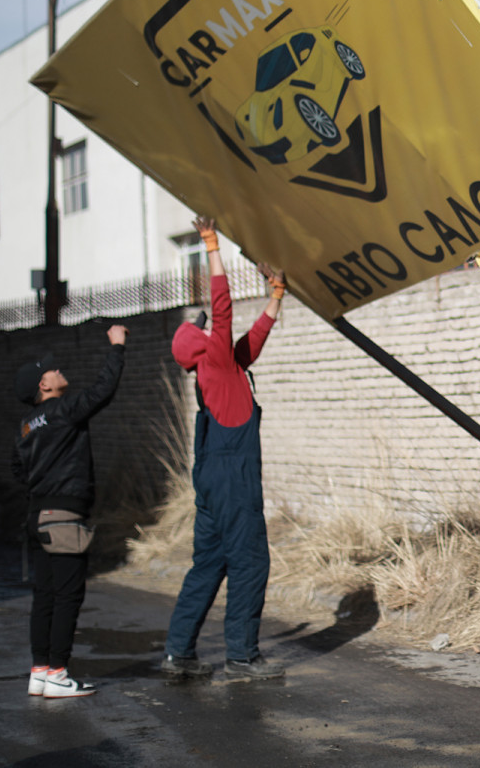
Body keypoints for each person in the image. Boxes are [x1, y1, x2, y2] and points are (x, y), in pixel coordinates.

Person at [162, 216, 287, 681]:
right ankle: (241, 656)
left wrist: (276, 296)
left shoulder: (219, 370)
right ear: (202, 342)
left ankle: (178, 653)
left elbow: (252, 340)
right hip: (233, 482)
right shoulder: (216, 359)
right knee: (250, 561)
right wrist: (210, 244)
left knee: (208, 564)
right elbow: (223, 306)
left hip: (210, 481)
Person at [12, 323, 128, 699]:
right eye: (51, 369)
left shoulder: (27, 427)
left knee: (44, 596)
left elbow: (17, 470)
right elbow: (102, 392)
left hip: (37, 516)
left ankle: (40, 671)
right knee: (67, 595)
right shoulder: (62, 411)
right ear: (43, 386)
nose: (58, 369)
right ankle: (59, 674)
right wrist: (117, 348)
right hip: (62, 517)